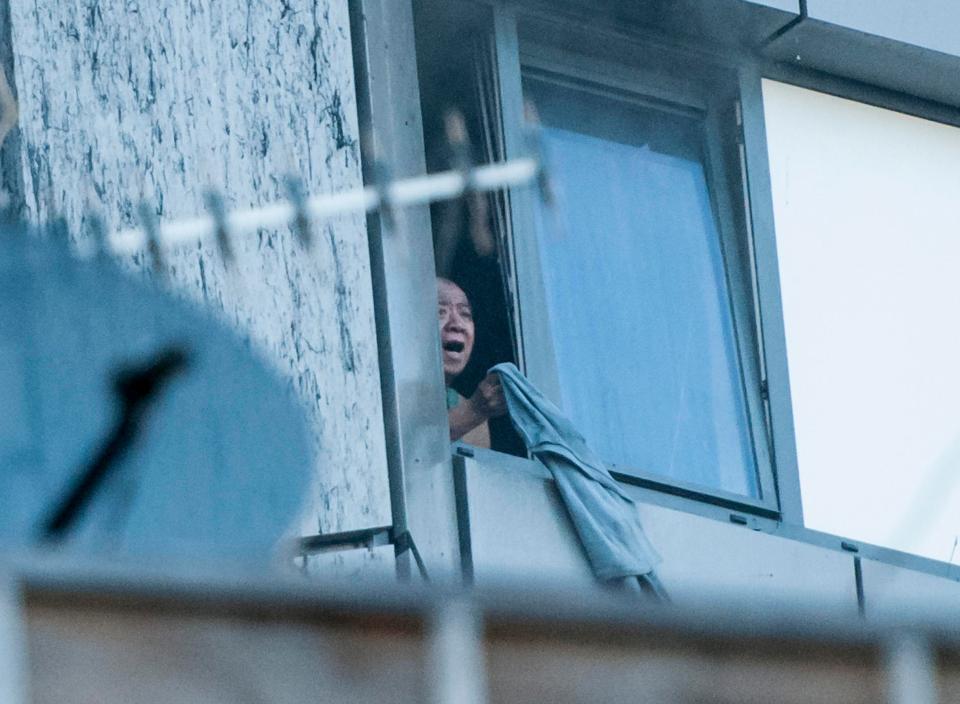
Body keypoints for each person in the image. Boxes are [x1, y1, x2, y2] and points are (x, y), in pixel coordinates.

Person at [437, 277, 506, 446]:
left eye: (465, 314)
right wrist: (474, 411)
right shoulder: (384, 393)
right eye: (439, 312)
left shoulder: (474, 422)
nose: (457, 324)